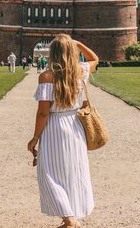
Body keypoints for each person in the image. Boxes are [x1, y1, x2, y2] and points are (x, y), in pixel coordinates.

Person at [28, 35, 99, 228]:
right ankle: (71, 217)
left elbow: (43, 112)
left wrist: (35, 138)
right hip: (75, 127)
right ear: (71, 52)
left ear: (53, 53)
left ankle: (69, 219)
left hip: (54, 127)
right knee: (72, 172)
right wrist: (78, 44)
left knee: (49, 173)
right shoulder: (81, 71)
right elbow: (94, 59)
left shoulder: (47, 76)